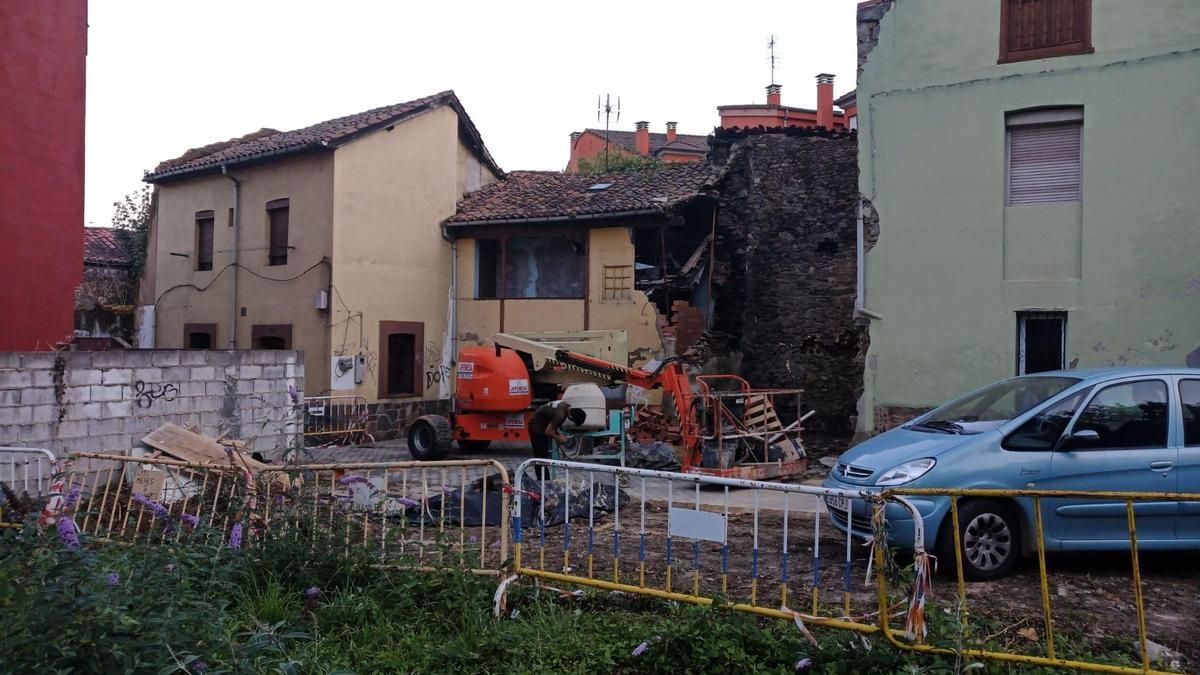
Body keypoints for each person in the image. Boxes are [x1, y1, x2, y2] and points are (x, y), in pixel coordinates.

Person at [528, 400, 587, 477]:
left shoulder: (566, 405)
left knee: (544, 455)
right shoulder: (560, 415)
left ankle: (544, 479)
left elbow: (552, 422)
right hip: (536, 426)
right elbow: (548, 431)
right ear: (571, 417)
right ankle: (543, 481)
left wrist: (557, 435)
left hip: (541, 423)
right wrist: (559, 438)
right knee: (540, 456)